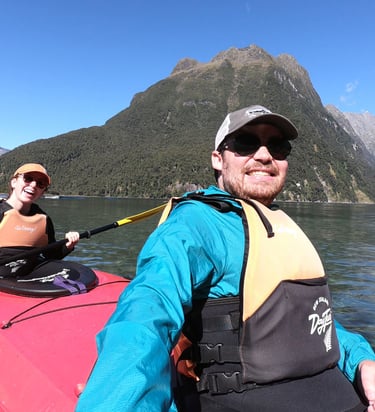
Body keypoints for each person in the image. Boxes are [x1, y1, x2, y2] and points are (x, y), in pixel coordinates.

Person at [76, 105, 375, 411]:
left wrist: (361, 358)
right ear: (218, 159)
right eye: (246, 143)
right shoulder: (193, 225)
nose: (264, 155)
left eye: (278, 146)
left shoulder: (280, 226)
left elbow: (304, 319)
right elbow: (145, 312)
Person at [0, 163, 80, 278]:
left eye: (40, 184)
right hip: (3, 278)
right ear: (14, 182)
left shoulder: (43, 219)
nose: (33, 185)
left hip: (28, 274)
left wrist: (68, 245)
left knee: (73, 273)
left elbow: (52, 255)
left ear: (42, 192)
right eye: (28, 178)